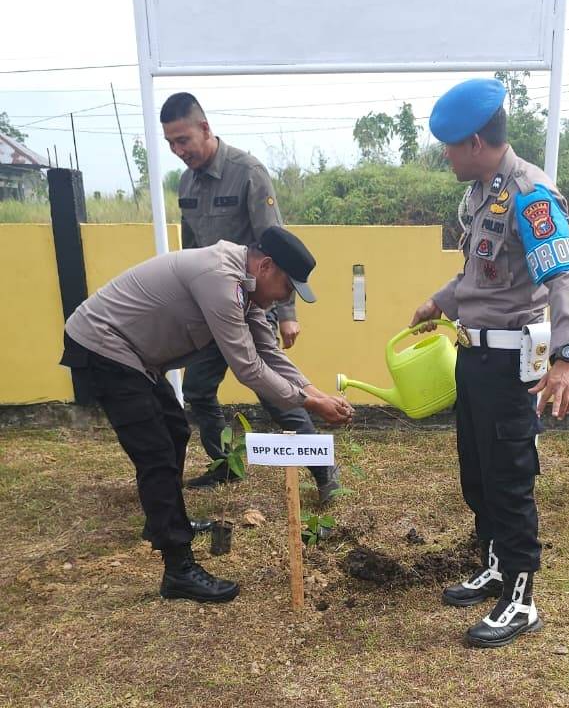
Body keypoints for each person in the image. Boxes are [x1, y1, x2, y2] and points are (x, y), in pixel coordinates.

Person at [60, 226, 353, 603]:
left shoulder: (245, 286)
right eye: (287, 287)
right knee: (157, 453)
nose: (285, 297)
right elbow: (248, 367)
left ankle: (165, 522)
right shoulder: (220, 279)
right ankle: (178, 568)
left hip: (136, 357)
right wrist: (310, 404)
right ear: (265, 266)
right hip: (104, 346)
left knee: (175, 430)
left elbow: (269, 351)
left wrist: (314, 391)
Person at [409, 78, 569, 649]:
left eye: (450, 145)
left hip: (513, 366)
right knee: (478, 474)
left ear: (477, 141)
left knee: (509, 482)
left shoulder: (531, 193)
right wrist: (439, 300)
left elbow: (562, 275)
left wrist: (567, 356)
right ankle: (494, 566)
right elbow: (479, 277)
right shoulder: (484, 192)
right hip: (473, 356)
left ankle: (522, 600)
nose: (445, 156)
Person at [160, 92, 340, 502]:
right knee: (199, 390)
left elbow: (276, 245)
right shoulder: (186, 183)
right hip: (210, 309)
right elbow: (192, 251)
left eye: (183, 139)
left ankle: (325, 472)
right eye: (170, 143)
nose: (178, 151)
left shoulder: (248, 173)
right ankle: (226, 464)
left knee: (275, 391)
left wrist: (287, 312)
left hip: (252, 303)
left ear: (205, 128)